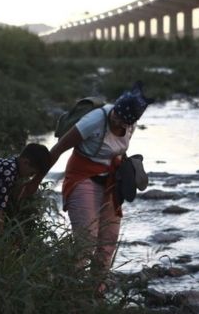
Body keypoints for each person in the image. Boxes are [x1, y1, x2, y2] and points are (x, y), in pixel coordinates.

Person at [23, 81, 154, 294]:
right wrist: (34, 183)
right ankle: (69, 290)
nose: (116, 119)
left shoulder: (130, 124)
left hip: (111, 181)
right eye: (116, 114)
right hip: (82, 177)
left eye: (122, 119)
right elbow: (56, 150)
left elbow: (117, 151)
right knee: (86, 240)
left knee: (108, 241)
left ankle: (95, 293)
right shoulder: (94, 120)